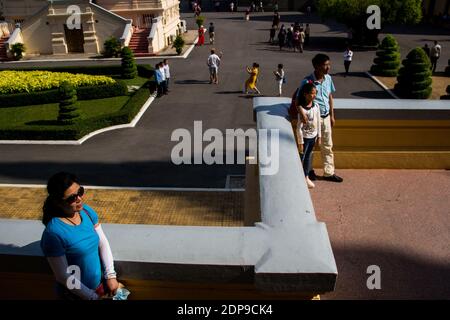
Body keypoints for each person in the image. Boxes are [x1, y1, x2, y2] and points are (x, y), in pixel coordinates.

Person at [40, 172, 121, 300]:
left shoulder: (87, 212)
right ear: (58, 202)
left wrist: (110, 276)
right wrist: (91, 297)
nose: (79, 199)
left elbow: (102, 242)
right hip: (75, 296)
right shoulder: (54, 233)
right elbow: (62, 276)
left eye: (80, 191)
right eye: (72, 198)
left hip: (99, 287)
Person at [290, 53, 343, 183]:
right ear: (316, 66)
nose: (328, 68)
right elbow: (298, 100)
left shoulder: (328, 78)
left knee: (327, 145)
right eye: (325, 65)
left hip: (325, 117)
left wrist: (332, 115)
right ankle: (309, 170)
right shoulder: (307, 81)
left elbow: (329, 96)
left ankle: (329, 172)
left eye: (329, 64)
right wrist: (302, 114)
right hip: (312, 119)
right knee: (310, 146)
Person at [295, 82, 321, 189]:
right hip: (305, 138)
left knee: (307, 159)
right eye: (311, 94)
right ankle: (297, 178)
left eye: (315, 93)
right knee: (301, 157)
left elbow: (318, 121)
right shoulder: (303, 110)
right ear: (305, 94)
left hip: (313, 137)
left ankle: (305, 177)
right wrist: (300, 141)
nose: (313, 96)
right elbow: (299, 128)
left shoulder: (316, 106)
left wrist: (319, 136)